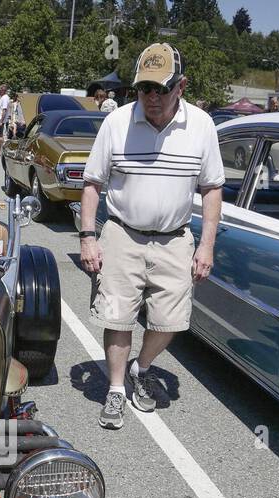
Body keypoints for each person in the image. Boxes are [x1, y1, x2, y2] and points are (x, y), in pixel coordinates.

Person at [78, 42, 224, 430]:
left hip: (176, 239)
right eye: (145, 89)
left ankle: (140, 367)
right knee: (117, 315)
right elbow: (92, 183)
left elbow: (211, 188)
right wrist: (88, 237)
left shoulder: (202, 126)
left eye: (162, 88)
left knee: (171, 320)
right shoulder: (117, 122)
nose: (153, 98)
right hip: (123, 234)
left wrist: (207, 244)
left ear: (182, 86)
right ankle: (114, 388)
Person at [0, 84, 11, 150]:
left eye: (0, 90)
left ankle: (1, 149)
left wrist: (1, 121)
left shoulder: (5, 98)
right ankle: (0, 148)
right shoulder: (3, 97)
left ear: (3, 91)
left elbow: (4, 110)